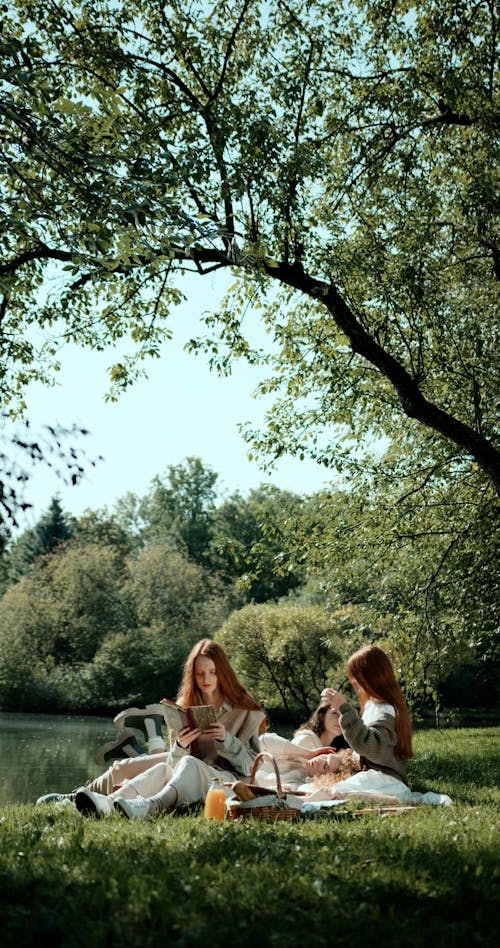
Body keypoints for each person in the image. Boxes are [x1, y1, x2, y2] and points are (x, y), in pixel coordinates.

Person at [73, 638, 267, 819]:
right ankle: (105, 803)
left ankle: (151, 806)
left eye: (212, 672)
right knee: (161, 768)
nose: (205, 678)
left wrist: (227, 740)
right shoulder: (184, 705)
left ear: (222, 672)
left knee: (189, 764)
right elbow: (175, 765)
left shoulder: (245, 709)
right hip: (190, 775)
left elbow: (253, 768)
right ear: (193, 675)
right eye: (200, 673)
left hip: (227, 782)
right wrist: (181, 745)